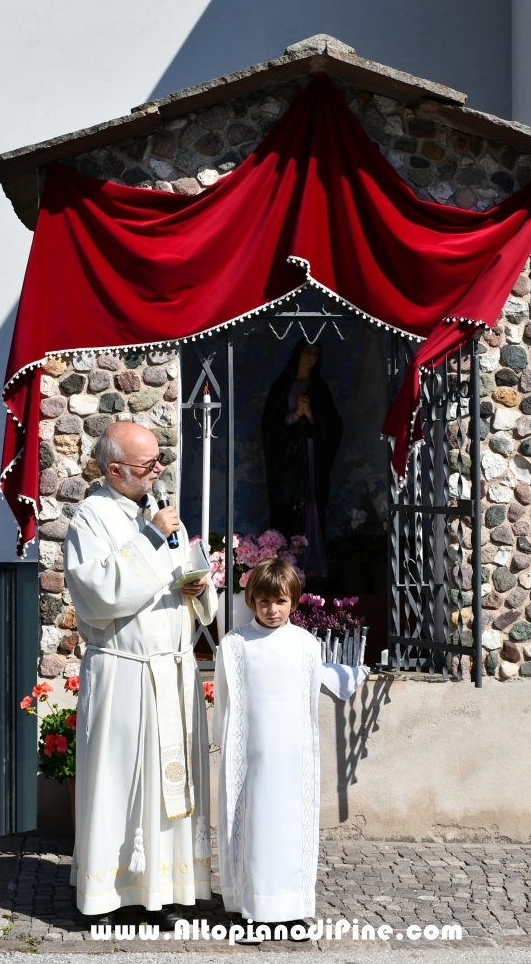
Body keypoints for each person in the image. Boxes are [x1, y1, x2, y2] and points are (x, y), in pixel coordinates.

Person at [63, 421, 217, 926]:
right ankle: (106, 897)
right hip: (125, 676)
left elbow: (179, 579)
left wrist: (195, 586)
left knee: (171, 786)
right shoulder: (91, 516)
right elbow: (99, 593)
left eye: (158, 461)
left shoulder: (157, 513)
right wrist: (152, 538)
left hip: (172, 672)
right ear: (114, 470)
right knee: (118, 784)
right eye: (149, 464)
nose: (159, 471)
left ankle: (169, 891)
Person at [213, 558, 366, 926]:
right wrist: (228, 747)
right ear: (251, 600)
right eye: (264, 601)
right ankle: (250, 910)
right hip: (250, 759)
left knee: (289, 832)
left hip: (291, 760)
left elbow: (307, 702)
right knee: (253, 830)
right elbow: (224, 700)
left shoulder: (305, 644)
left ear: (294, 602)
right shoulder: (235, 644)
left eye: (280, 602)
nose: (272, 609)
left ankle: (292, 910)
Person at [261, 341, 344, 577]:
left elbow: (335, 425)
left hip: (312, 458)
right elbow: (270, 426)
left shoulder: (320, 388)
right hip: (287, 460)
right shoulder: (282, 387)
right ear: (297, 352)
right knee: (288, 506)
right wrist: (295, 415)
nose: (312, 355)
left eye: (316, 352)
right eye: (308, 350)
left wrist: (312, 416)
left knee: (313, 505)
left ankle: (312, 561)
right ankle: (288, 564)